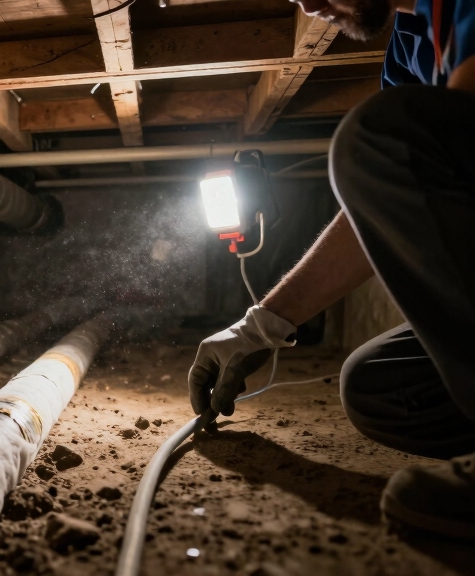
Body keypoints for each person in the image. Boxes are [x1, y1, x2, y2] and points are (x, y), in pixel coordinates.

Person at [188, 0, 475, 539]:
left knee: (379, 135)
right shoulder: (411, 48)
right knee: (381, 388)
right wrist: (261, 325)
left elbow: (411, 148)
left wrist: (384, 151)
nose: (309, 5)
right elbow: (386, 203)